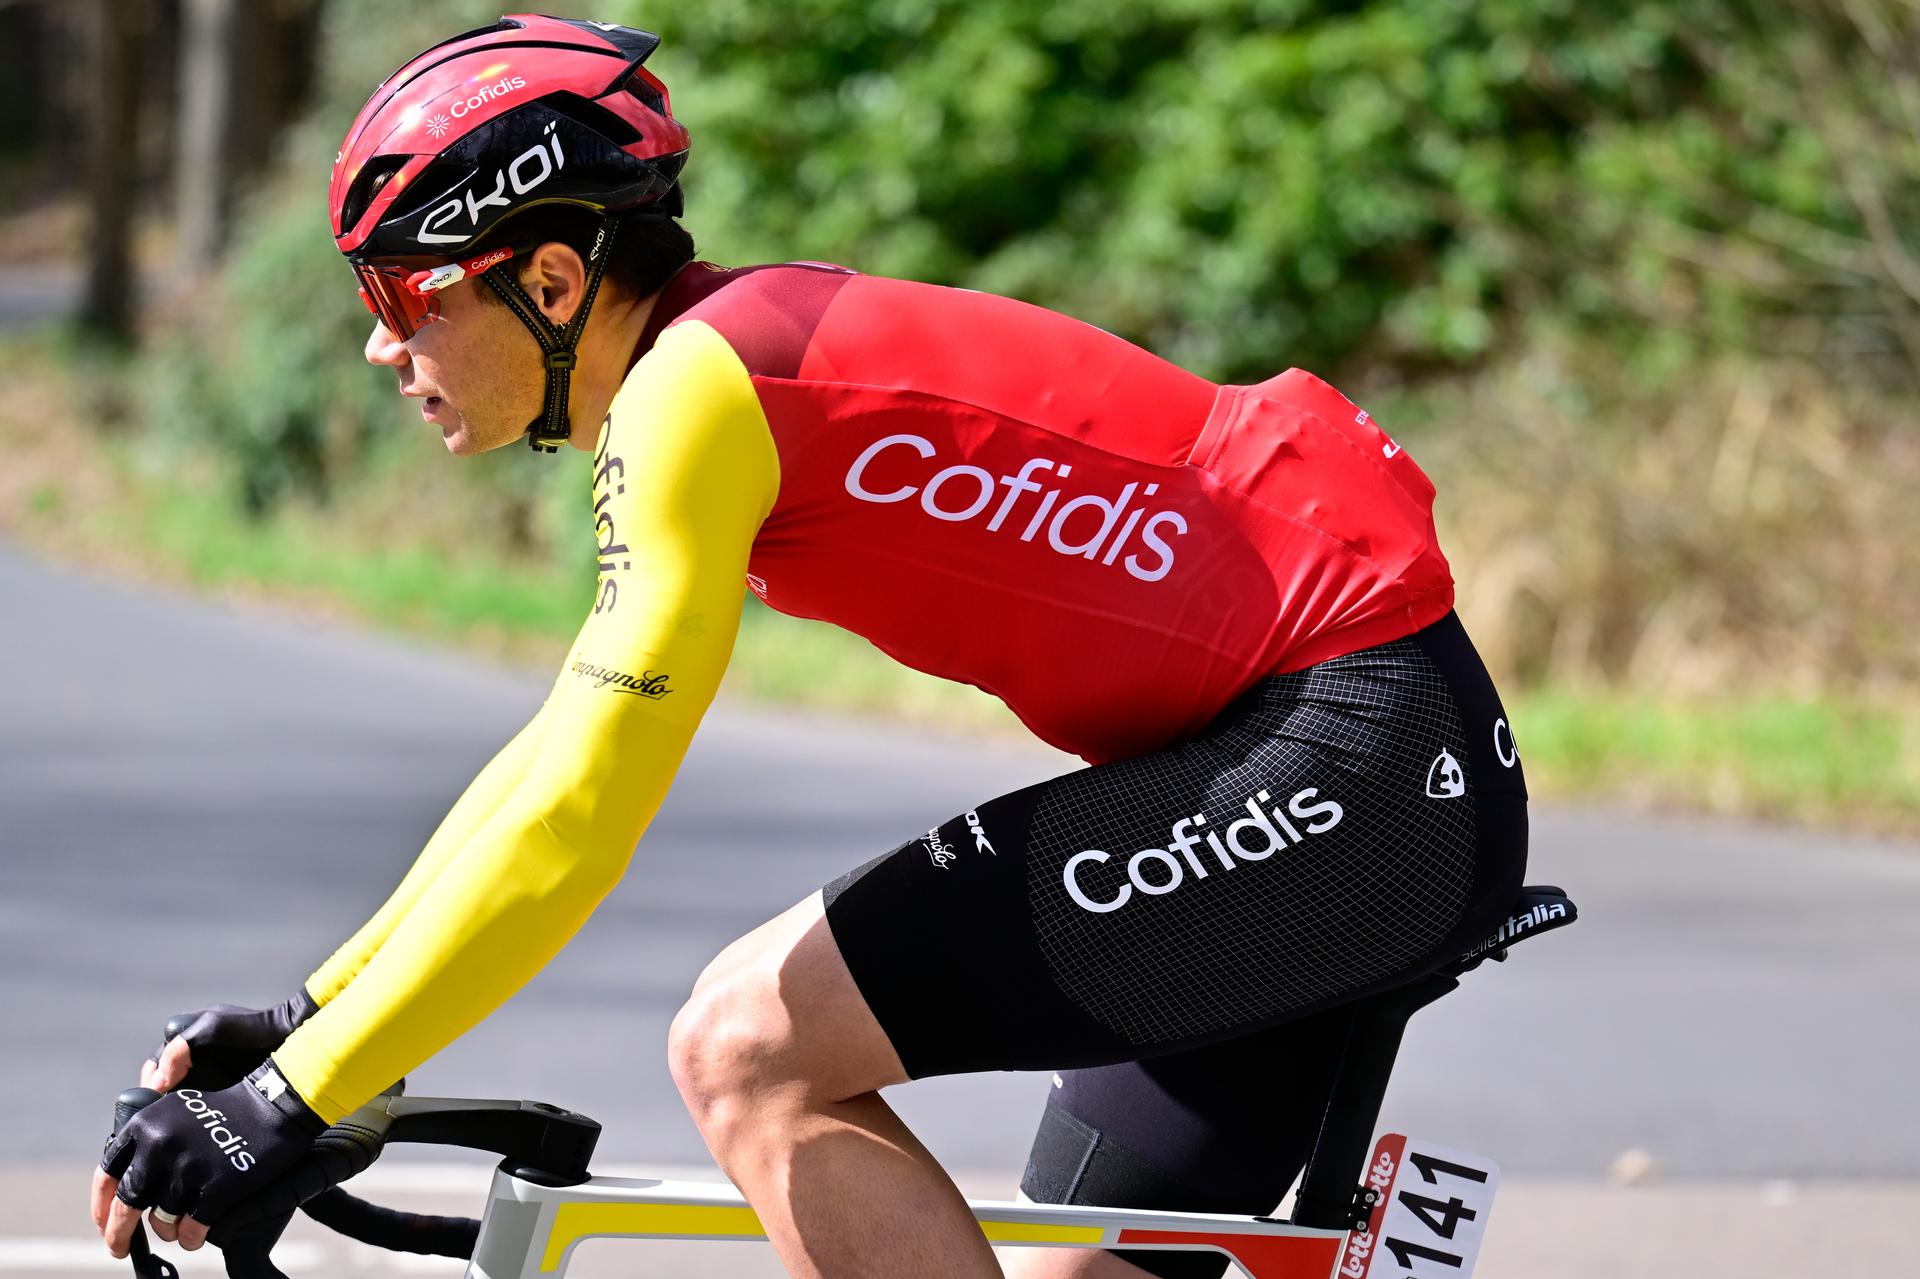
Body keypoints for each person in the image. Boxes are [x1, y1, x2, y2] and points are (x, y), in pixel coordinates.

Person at [92, 15, 1529, 1278]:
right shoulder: (726, 359)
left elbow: (584, 806)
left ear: (544, 282)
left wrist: (296, 1101)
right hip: (1342, 765)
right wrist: (315, 1026)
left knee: (747, 1045)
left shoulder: (695, 399)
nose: (378, 346)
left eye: (404, 297)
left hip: (1347, 762)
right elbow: (547, 761)